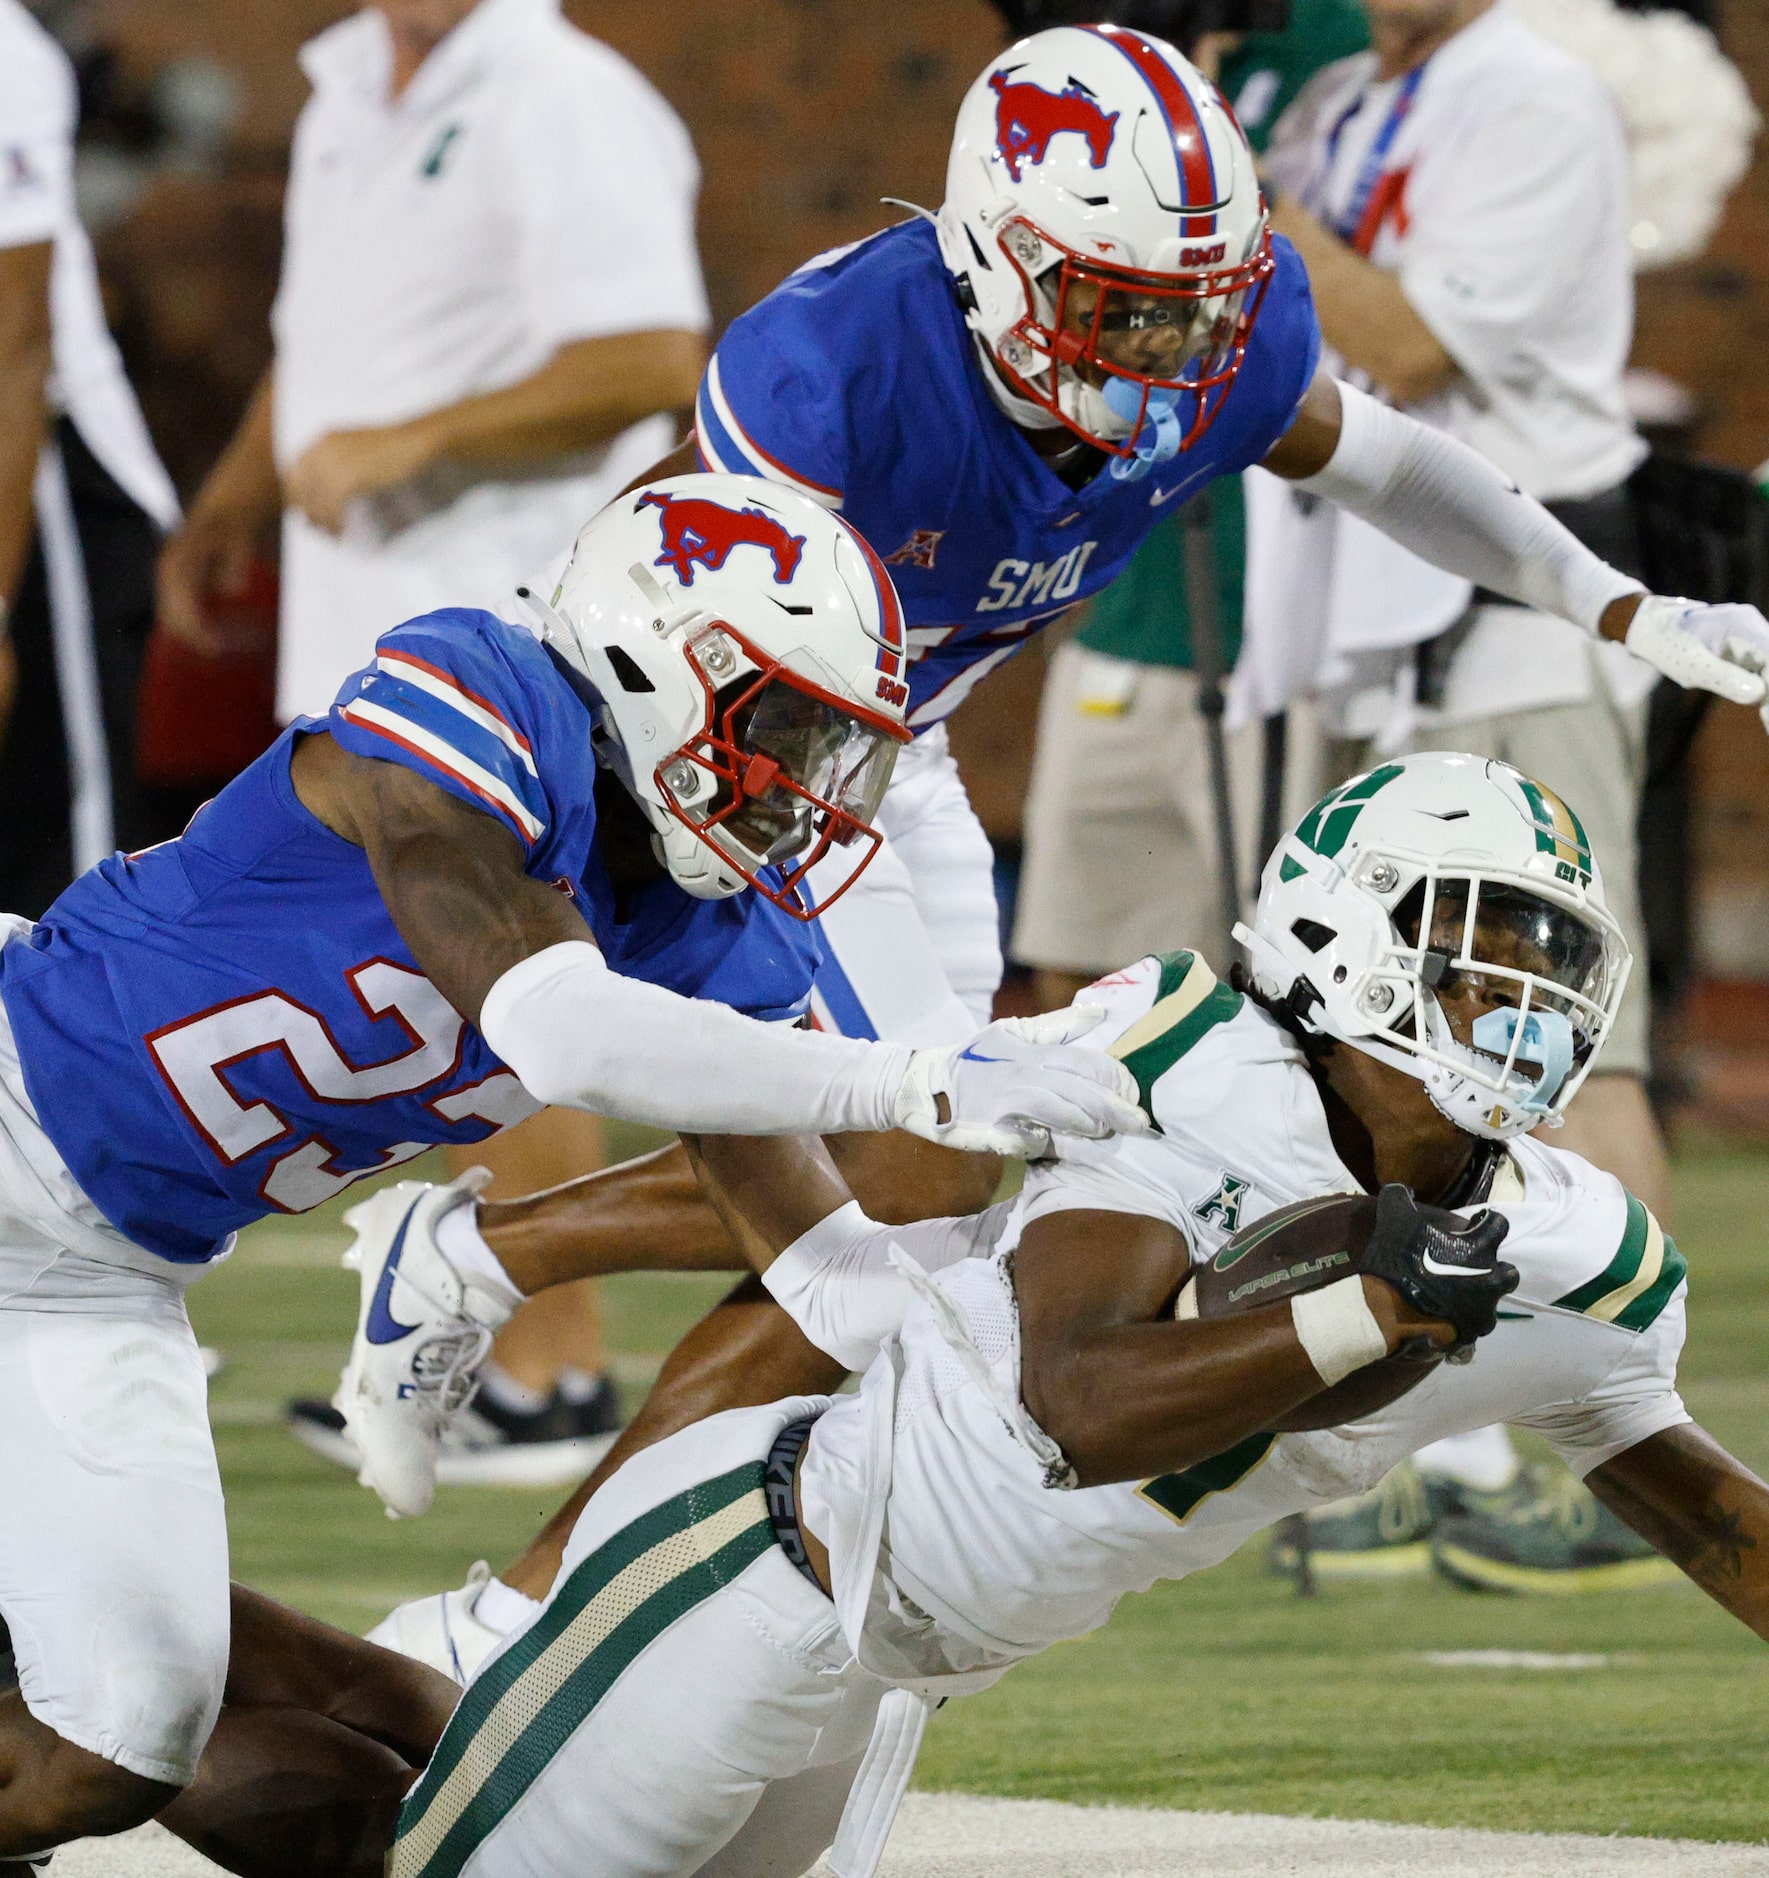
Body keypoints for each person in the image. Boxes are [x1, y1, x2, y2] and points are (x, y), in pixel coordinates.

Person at [357, 14, 1769, 1651]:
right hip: (741, 740)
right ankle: (501, 1420)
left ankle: (481, 1333)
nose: (1167, 361)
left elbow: (1374, 454)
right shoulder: (836, 373)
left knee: (929, 1187)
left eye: (1193, 314)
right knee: (929, 1160)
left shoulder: (1205, 349)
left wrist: (1606, 598)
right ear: (995, 266)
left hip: (898, 750)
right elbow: (677, 598)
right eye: (1119, 311)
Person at [305, 751, 1769, 1878]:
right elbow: (1070, 1403)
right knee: (918, 1171)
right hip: (767, 1553)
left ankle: (198, 1686)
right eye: (1485, 940)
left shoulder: (1580, 1249)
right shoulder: (1200, 1071)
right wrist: (1366, 1314)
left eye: (1548, 955)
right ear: (1345, 929)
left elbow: (1712, 1518)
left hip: (896, 1662)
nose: (1523, 996)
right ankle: (136, 1708)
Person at [0, 470, 1144, 1864]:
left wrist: (1023, 1395)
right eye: (780, 726)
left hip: (102, 1275)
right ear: (650, 661)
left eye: (834, 745)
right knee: (129, 1749)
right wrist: (911, 1071)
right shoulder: (474, 693)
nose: (804, 790)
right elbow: (557, 1024)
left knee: (433, 1766)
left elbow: (828, 1276)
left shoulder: (718, 923)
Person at [157, 0, 719, 1476]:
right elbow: (326, 336)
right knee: (436, 995)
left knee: (509, 989)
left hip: (505, 634)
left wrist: (418, 439)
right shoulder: (351, 86)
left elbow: (652, 352)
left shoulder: (558, 93)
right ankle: (501, 1370)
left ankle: (556, 1372)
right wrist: (236, 488)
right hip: (374, 620)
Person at [1241, 0, 1684, 1564]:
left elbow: (1402, 342)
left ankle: (1640, 1434)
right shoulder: (1357, 96)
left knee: (1568, 1038)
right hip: (1379, 624)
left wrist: (1244, 197)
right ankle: (1455, 1440)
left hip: (1516, 628)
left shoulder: (1533, 92)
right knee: (1384, 1041)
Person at [1011, 0, 1371, 1004]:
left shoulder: (1342, 48)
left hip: (1275, 625)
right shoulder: (1093, 45)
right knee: (1081, 980)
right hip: (1126, 607)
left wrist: (1202, 125)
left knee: (1282, 994)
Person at [0, 0, 183, 917]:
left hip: (38, 473)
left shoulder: (5, 49)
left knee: (59, 884)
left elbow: (15, 336)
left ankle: (76, 1062)